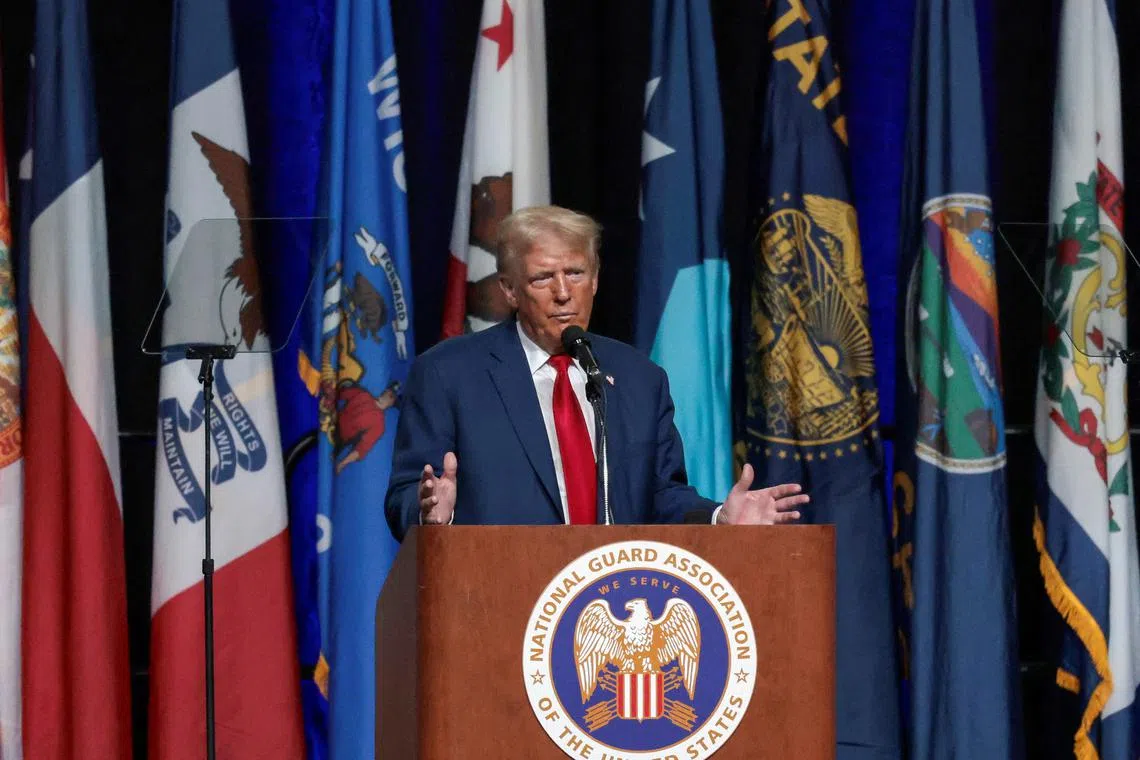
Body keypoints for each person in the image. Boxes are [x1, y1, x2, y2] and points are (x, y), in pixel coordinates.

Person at [384, 205, 807, 540]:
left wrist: (719, 517)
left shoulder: (640, 378)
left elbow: (660, 495)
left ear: (596, 279)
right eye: (543, 278)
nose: (563, 292)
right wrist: (432, 513)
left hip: (608, 610)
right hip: (497, 607)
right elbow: (406, 496)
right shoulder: (449, 374)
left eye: (575, 273)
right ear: (510, 290)